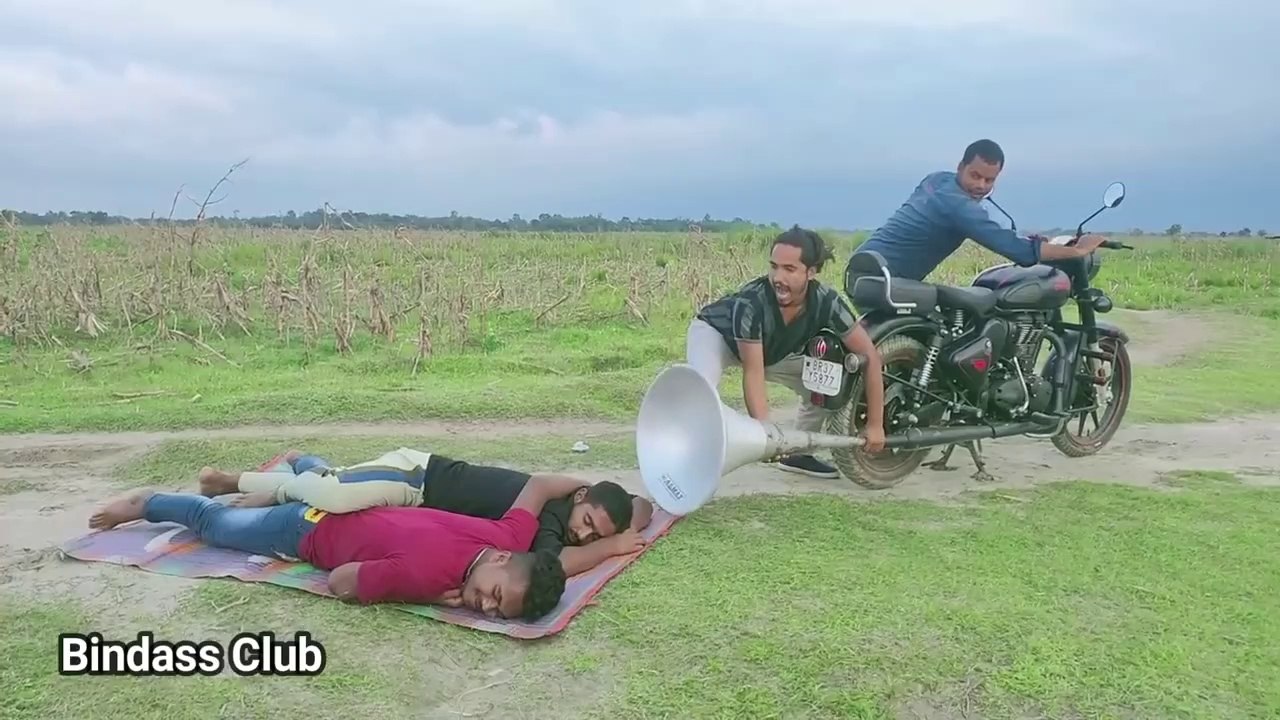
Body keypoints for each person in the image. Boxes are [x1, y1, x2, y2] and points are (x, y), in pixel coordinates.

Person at [87, 472, 580, 620]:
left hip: (356, 496)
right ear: (502, 561)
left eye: (498, 612)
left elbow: (538, 485)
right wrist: (419, 595)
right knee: (215, 526)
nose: (485, 607)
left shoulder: (510, 537)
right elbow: (341, 582)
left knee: (311, 487)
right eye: (495, 594)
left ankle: (297, 470)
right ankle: (150, 501)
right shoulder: (426, 579)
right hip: (307, 528)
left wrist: (589, 489)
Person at [197, 447, 654, 577]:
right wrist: (612, 546)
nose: (583, 536)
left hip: (408, 512)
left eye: (594, 535)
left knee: (338, 487)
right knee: (332, 497)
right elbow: (557, 563)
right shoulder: (552, 515)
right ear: (580, 497)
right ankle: (237, 482)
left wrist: (619, 529)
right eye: (587, 523)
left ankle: (305, 463)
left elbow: (643, 504)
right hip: (414, 479)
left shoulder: (575, 516)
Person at [686, 225, 886, 479]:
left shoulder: (827, 302)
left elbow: (870, 356)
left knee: (827, 384)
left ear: (811, 272)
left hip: (772, 350)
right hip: (716, 334)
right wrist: (767, 436)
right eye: (774, 266)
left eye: (789, 269)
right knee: (701, 388)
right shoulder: (752, 302)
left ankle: (799, 455)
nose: (778, 277)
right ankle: (689, 451)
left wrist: (876, 424)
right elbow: (753, 371)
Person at [847, 138, 1108, 284]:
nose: (981, 185)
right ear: (960, 166)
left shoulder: (937, 180)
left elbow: (993, 230)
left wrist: (1032, 240)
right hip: (884, 279)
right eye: (975, 175)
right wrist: (1078, 251)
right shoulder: (959, 207)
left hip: (863, 267)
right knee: (952, 325)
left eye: (989, 180)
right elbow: (1018, 251)